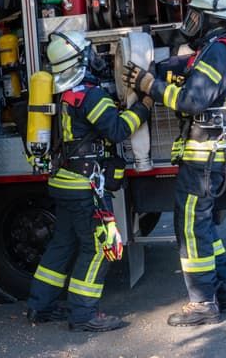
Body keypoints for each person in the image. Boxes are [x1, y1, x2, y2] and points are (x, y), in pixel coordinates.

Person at [125, 0, 226, 326]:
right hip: (214, 155)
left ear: (210, 18)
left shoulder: (218, 51)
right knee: (203, 226)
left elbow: (193, 101)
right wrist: (161, 71)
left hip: (203, 158)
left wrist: (150, 86)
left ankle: (202, 304)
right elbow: (193, 77)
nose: (190, 21)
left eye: (195, 15)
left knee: (190, 229)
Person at [26, 30, 151, 332]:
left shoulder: (59, 93)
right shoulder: (89, 94)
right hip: (85, 187)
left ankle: (40, 305)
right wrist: (143, 108)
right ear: (79, 61)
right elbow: (118, 130)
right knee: (98, 248)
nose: (96, 59)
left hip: (64, 181)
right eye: (90, 54)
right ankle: (83, 313)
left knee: (62, 244)